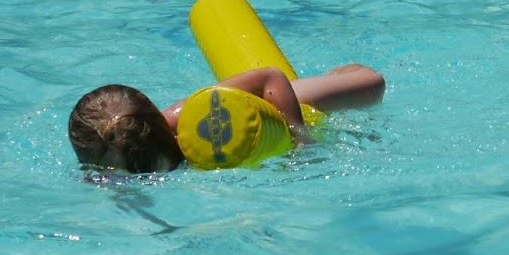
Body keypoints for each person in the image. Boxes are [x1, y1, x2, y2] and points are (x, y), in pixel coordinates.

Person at [67, 63, 387, 173]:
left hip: (276, 104)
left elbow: (269, 76)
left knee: (372, 85)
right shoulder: (109, 167)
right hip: (253, 138)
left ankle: (338, 73)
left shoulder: (187, 114)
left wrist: (299, 136)